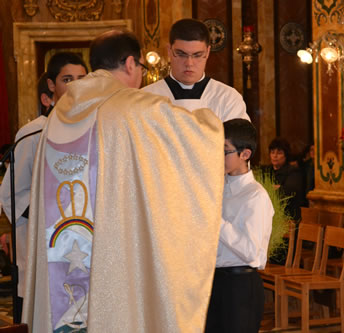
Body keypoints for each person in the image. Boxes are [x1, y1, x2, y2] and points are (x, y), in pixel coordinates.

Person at [23, 30, 224, 333]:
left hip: (63, 251)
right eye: (142, 67)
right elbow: (200, 139)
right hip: (113, 255)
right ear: (131, 63)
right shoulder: (135, 108)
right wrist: (212, 121)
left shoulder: (62, 112)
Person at [0, 55, 87, 318]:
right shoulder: (34, 134)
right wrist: (50, 217)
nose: (75, 87)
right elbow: (12, 193)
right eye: (67, 79)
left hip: (83, 238)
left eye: (82, 80)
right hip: (44, 237)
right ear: (51, 85)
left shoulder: (93, 128)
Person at [205, 118, 273, 333]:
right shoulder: (218, 187)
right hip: (214, 281)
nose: (218, 156)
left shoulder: (255, 197)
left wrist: (216, 220)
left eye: (225, 150)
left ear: (245, 154)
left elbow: (251, 251)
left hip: (240, 285)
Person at [142, 18, 249, 122]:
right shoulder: (146, 98)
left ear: (207, 52)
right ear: (169, 51)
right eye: (181, 54)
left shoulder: (227, 98)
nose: (189, 63)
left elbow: (239, 139)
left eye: (197, 55)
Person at [263, 137, 306, 221]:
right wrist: (276, 187)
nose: (275, 156)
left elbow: (287, 193)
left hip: (288, 217)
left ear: (286, 155)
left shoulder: (293, 171)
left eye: (279, 153)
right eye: (272, 152)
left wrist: (271, 189)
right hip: (269, 216)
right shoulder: (266, 171)